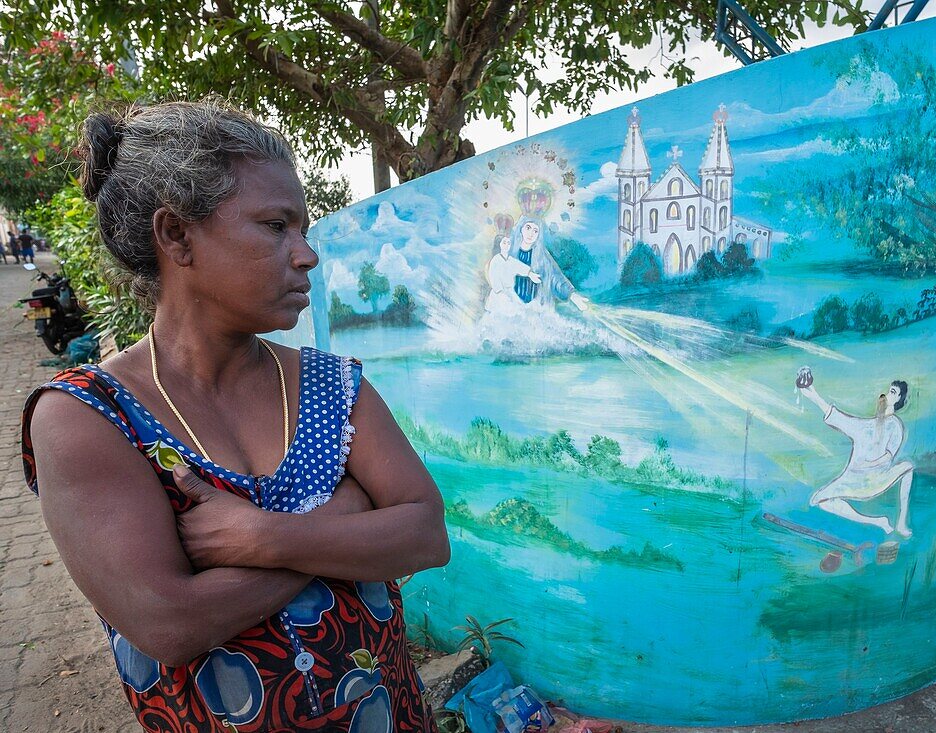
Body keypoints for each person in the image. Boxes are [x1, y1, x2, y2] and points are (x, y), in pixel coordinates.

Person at [20, 100, 448, 732]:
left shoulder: (331, 384)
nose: (306, 255)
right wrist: (348, 519)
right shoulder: (89, 416)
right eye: (276, 226)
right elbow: (169, 622)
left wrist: (267, 538)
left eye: (303, 229)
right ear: (175, 237)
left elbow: (425, 536)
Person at [799, 375, 914, 538]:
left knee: (908, 467)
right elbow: (839, 418)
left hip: (878, 478)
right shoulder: (867, 426)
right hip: (855, 480)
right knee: (822, 501)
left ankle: (901, 523)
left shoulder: (895, 425)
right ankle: (877, 521)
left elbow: (889, 456)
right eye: (889, 391)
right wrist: (813, 394)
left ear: (898, 398)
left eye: (892, 392)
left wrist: (869, 464)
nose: (886, 395)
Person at [510, 216, 589, 312]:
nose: (531, 234)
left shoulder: (542, 256)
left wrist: (572, 295)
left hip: (535, 308)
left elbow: (555, 277)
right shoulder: (509, 251)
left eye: (535, 231)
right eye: (528, 228)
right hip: (511, 305)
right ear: (521, 228)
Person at [485, 232, 540, 313]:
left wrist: (530, 274)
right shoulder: (496, 260)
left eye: (508, 243)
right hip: (499, 295)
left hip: (510, 292)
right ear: (499, 244)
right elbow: (494, 278)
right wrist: (501, 294)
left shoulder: (511, 260)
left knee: (520, 311)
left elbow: (519, 267)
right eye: (504, 243)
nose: (507, 245)